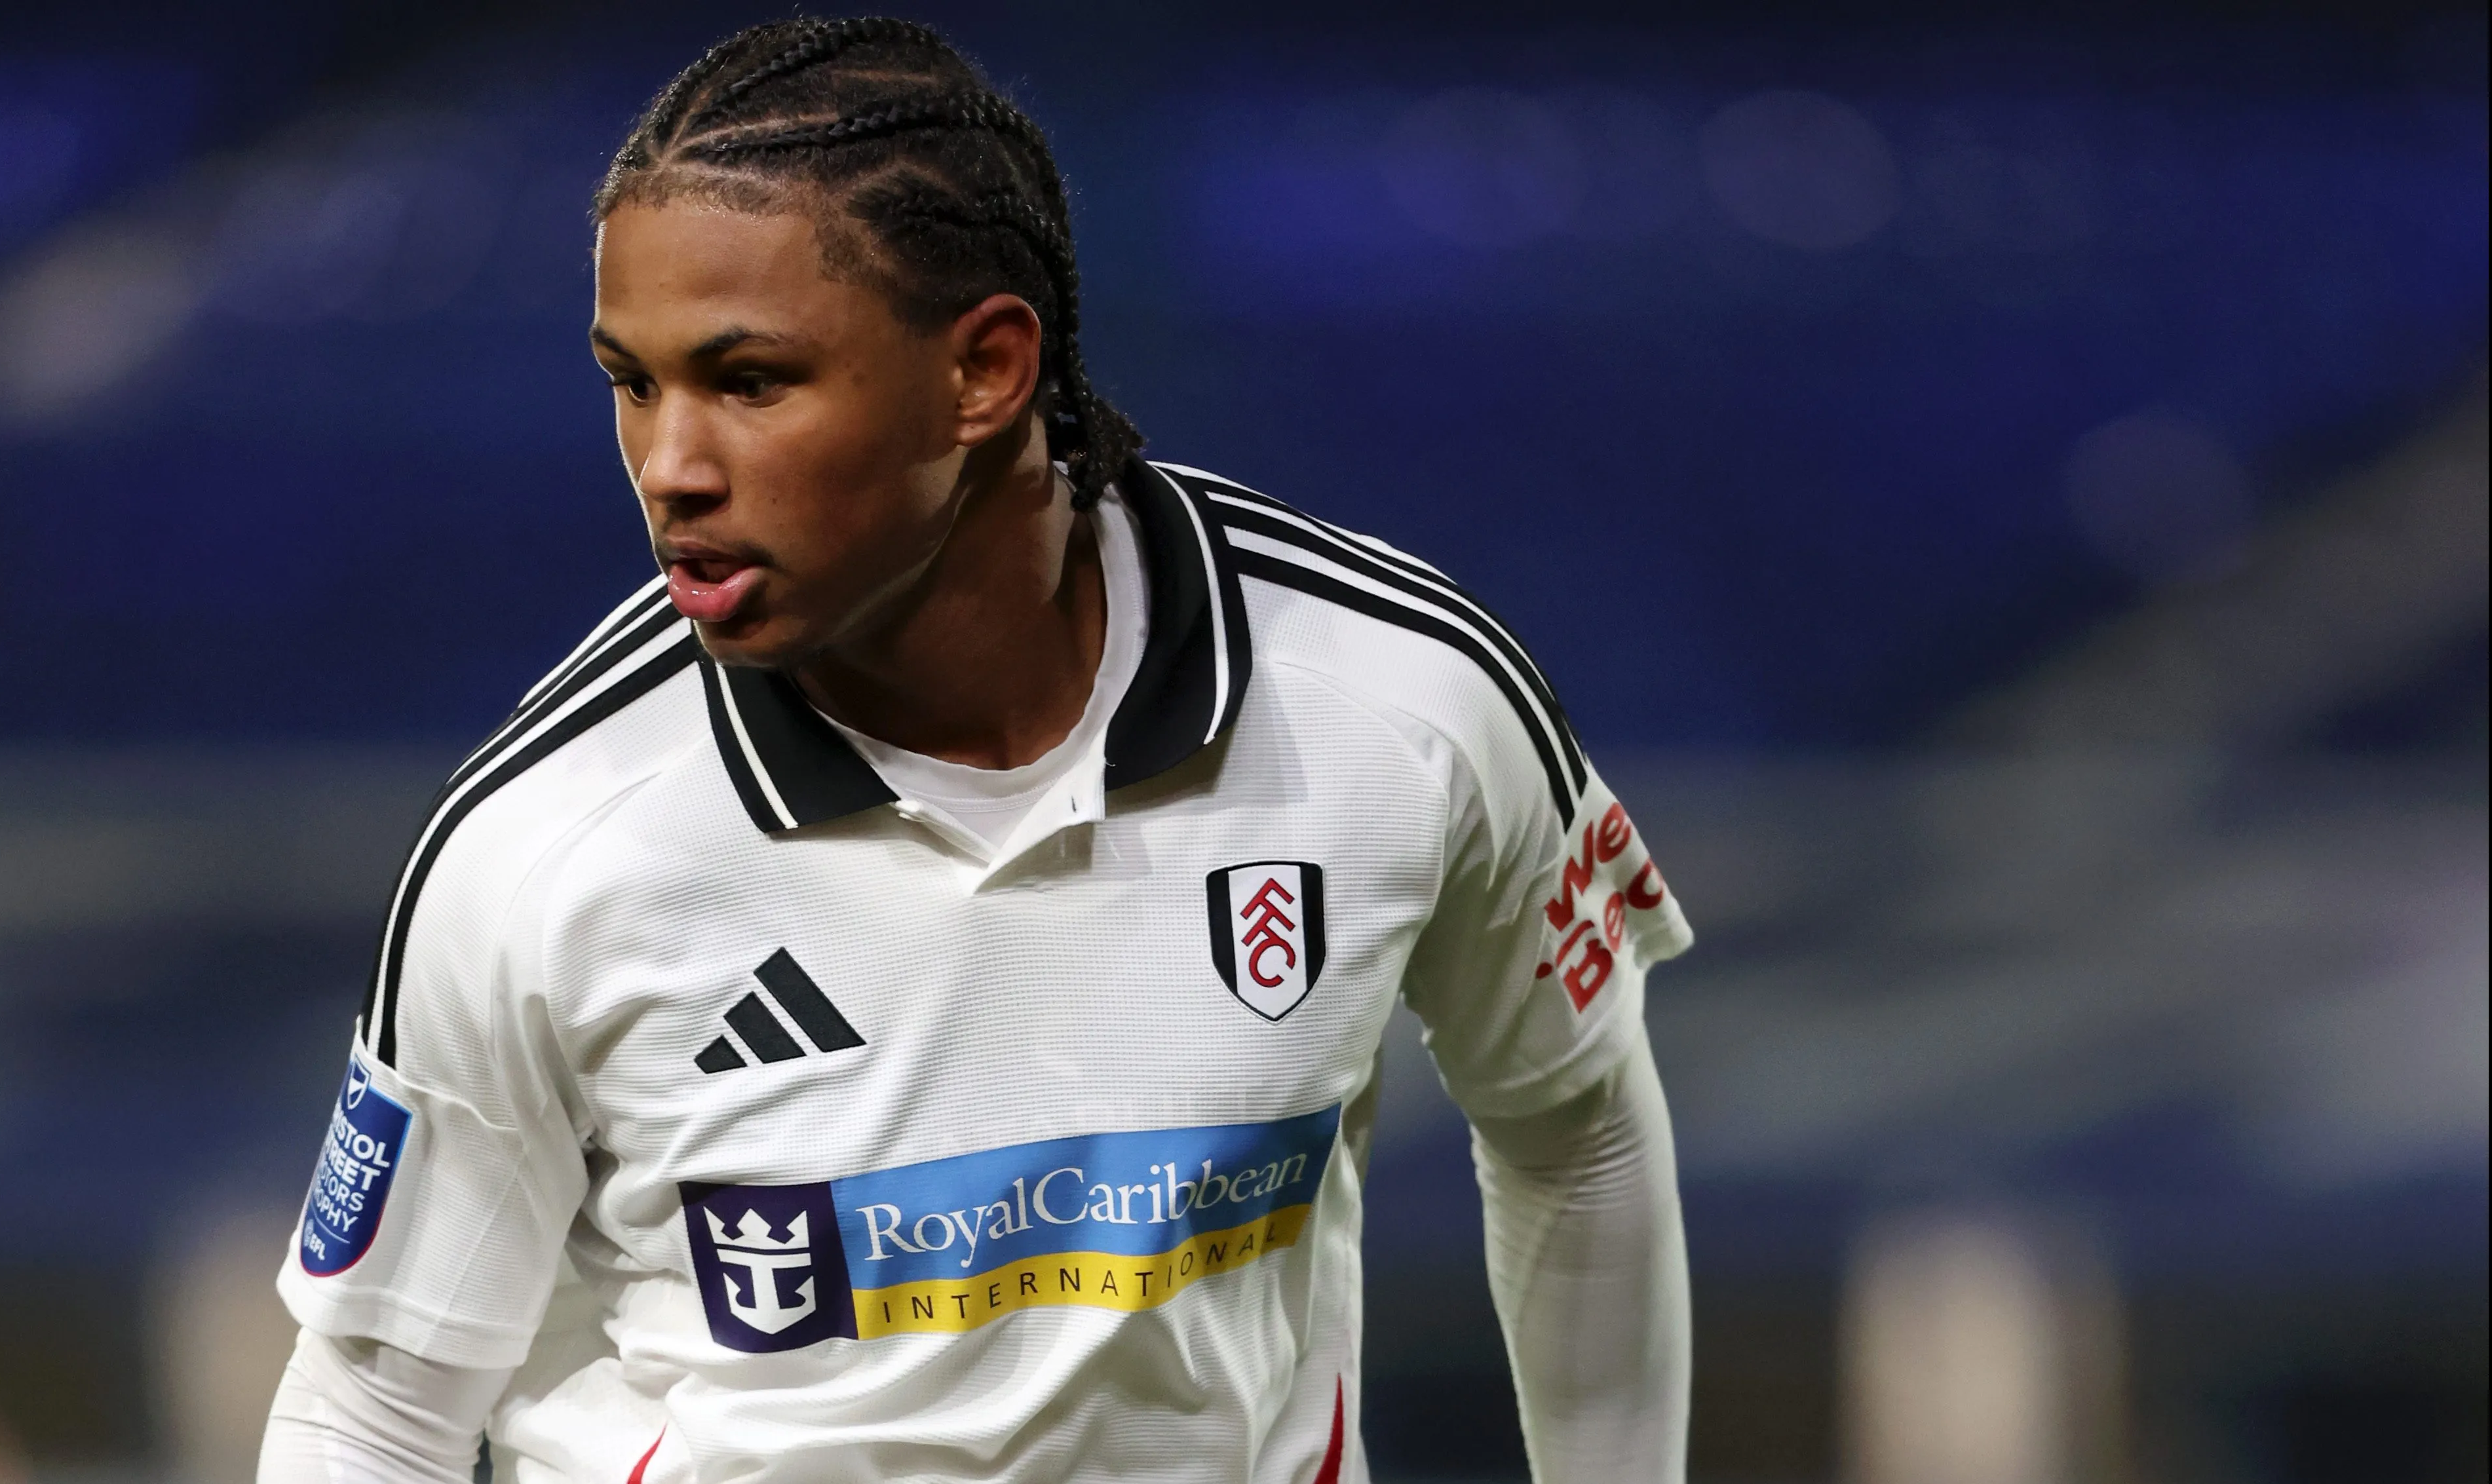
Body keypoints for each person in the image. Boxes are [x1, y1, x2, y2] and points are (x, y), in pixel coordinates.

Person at [258, 18, 1691, 1483]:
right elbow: (373, 1411)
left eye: (748, 381)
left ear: (985, 370)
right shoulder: (544, 842)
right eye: (633, 381)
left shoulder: (1404, 704)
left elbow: (1575, 1130)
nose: (669, 465)